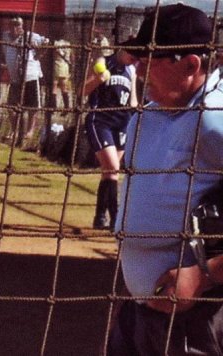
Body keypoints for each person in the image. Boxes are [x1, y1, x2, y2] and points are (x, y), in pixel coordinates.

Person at [107, 4, 223, 354]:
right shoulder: (148, 116)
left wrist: (202, 275)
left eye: (150, 58)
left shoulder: (213, 118)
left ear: (190, 65)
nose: (138, 69)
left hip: (197, 318)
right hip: (139, 312)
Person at [83, 49, 137, 230]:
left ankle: (100, 218)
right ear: (122, 50)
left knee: (110, 172)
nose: (133, 60)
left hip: (122, 122)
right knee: (113, 167)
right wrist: (99, 79)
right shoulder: (103, 63)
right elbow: (81, 90)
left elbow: (133, 101)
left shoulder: (131, 70)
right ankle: (115, 218)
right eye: (132, 55)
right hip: (100, 121)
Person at [2, 17, 49, 143]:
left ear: (22, 25)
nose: (14, 27)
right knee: (11, 106)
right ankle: (15, 131)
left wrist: (39, 54)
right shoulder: (6, 36)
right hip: (15, 78)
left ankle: (30, 131)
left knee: (32, 107)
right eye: (12, 24)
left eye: (17, 25)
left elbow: (46, 42)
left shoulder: (30, 36)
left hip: (30, 76)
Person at [52, 30, 73, 117]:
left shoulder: (55, 43)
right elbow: (72, 56)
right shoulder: (68, 44)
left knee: (55, 85)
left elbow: (54, 54)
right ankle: (67, 107)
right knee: (64, 86)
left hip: (57, 64)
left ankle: (53, 107)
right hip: (65, 66)